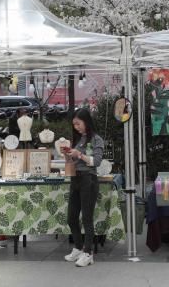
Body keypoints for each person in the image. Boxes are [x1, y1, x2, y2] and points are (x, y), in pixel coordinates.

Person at [62, 108, 104, 267]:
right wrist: (67, 155)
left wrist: (78, 154)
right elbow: (74, 163)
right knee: (71, 217)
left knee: (87, 218)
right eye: (74, 125)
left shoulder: (96, 139)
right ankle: (78, 248)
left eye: (78, 123)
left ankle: (88, 252)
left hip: (89, 180)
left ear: (86, 121)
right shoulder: (79, 139)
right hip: (76, 179)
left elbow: (96, 162)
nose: (76, 127)